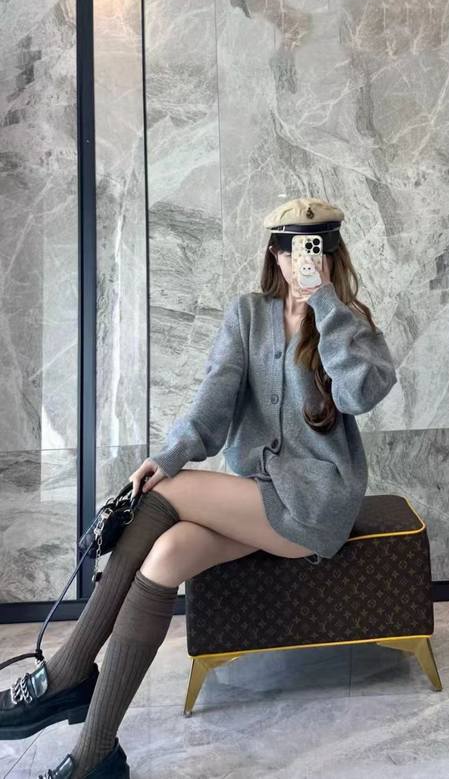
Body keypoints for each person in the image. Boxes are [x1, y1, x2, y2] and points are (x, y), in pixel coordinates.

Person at [0, 196, 397, 778]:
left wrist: (326, 307)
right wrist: (170, 453)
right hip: (258, 497)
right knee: (167, 554)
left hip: (316, 503)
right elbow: (214, 400)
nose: (306, 261)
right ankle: (96, 754)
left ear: (334, 256)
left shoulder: (349, 322)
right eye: (294, 250)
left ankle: (70, 669)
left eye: (319, 249)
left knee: (167, 493)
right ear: (276, 256)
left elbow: (361, 395)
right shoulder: (248, 315)